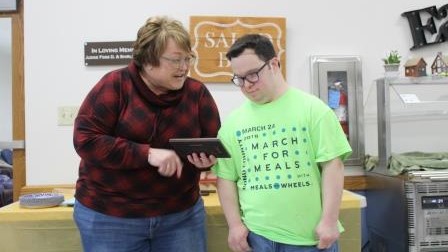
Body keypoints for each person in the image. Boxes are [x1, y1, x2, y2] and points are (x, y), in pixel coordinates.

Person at [73, 16, 221, 252]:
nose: (184, 67)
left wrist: (206, 161)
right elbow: (86, 141)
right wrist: (147, 154)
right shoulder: (115, 85)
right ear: (147, 60)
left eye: (188, 58)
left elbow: (210, 143)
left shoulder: (197, 94)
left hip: (181, 215)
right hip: (110, 216)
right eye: (175, 60)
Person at [212, 34, 352, 252]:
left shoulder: (314, 110)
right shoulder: (232, 124)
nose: (246, 85)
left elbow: (332, 166)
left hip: (309, 239)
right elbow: (226, 177)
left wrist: (329, 220)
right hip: (256, 238)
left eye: (252, 75)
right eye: (239, 79)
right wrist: (235, 225)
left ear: (274, 64)